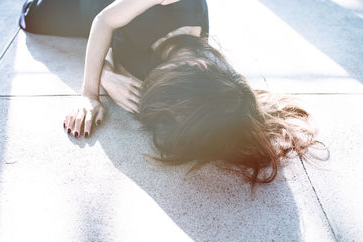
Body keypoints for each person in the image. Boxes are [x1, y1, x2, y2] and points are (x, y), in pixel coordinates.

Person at [20, 0, 320, 185]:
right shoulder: (175, 4)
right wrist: (90, 92)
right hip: (97, 10)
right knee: (32, 17)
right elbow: (105, 22)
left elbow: (116, 46)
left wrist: (110, 75)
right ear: (197, 65)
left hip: (98, 14)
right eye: (160, 81)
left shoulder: (193, 82)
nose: (152, 80)